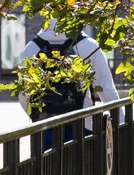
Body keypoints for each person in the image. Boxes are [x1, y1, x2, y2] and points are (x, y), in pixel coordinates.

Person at [19, 19, 120, 151]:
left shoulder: (32, 48)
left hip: (44, 128)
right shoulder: (89, 46)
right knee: (82, 169)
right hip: (84, 125)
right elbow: (107, 90)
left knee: (48, 170)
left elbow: (23, 94)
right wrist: (121, 125)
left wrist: (37, 117)